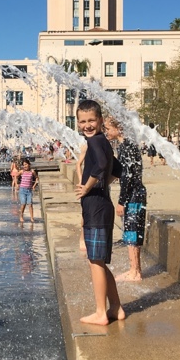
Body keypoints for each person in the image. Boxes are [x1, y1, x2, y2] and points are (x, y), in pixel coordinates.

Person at [75, 100, 124, 325]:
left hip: (95, 208)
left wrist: (87, 187)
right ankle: (116, 308)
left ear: (100, 120)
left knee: (95, 262)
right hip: (102, 205)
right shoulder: (102, 141)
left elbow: (102, 164)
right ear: (77, 123)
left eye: (91, 120)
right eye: (83, 121)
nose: (87, 125)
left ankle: (100, 312)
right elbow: (118, 169)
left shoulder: (95, 141)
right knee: (100, 262)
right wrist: (102, 184)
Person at [104, 116, 147, 282]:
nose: (106, 132)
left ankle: (134, 271)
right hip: (137, 194)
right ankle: (135, 269)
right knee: (133, 231)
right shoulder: (128, 145)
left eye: (108, 128)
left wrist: (122, 201)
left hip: (133, 195)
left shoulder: (126, 147)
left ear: (118, 129)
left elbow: (128, 177)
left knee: (131, 231)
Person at [17, 158, 39, 223]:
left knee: (30, 204)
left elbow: (37, 178)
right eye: (24, 165)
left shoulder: (32, 171)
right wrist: (16, 184)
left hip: (29, 191)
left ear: (29, 164)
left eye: (26, 164)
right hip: (22, 190)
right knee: (23, 204)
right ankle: (21, 216)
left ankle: (32, 218)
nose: (25, 166)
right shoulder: (22, 171)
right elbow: (16, 176)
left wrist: (34, 185)